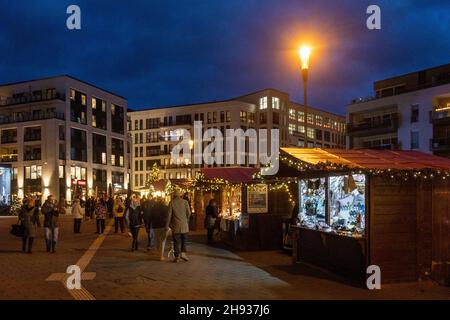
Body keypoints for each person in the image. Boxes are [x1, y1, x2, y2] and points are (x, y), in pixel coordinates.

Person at [167, 189, 191, 263]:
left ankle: (177, 257)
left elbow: (169, 215)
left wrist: (167, 225)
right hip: (184, 225)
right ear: (181, 195)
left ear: (174, 195)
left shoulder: (172, 203)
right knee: (184, 240)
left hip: (175, 225)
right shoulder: (185, 202)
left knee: (176, 241)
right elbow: (189, 213)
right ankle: (183, 254)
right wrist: (185, 220)